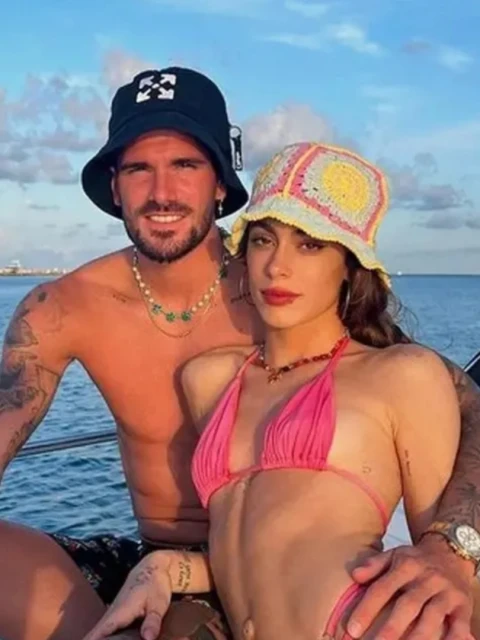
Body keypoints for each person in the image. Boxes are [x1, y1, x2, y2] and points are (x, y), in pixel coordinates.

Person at [0, 66, 479, 640]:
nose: (161, 193)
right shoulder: (64, 307)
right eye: (138, 169)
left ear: (222, 185)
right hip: (166, 559)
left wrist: (452, 547)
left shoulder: (285, 291)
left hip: (288, 580)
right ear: (114, 185)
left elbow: (458, 401)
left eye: (185, 165)